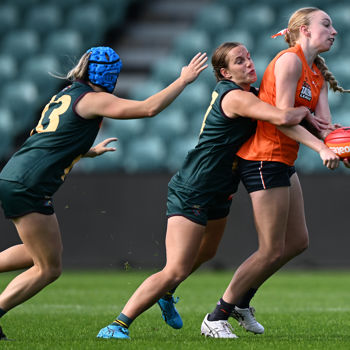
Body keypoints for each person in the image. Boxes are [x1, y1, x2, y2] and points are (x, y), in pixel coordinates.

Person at [96, 41, 337, 340]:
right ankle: (118, 325)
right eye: (239, 61)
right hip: (195, 186)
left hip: (221, 189)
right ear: (224, 73)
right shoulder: (235, 97)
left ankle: (167, 293)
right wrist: (307, 112)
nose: (249, 63)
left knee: (206, 253)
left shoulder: (249, 92)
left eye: (248, 57)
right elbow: (282, 117)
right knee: (175, 268)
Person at [0, 46, 208, 340]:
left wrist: (84, 151)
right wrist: (183, 80)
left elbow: (52, 139)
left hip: (14, 174)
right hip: (29, 183)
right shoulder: (94, 99)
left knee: (34, 255)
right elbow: (148, 108)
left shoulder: (66, 94)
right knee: (48, 269)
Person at [201, 7, 350, 338]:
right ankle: (216, 316)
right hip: (263, 159)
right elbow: (282, 119)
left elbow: (324, 128)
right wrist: (322, 149)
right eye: (326, 24)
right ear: (304, 31)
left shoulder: (318, 74)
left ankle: (241, 304)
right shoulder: (288, 61)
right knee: (271, 249)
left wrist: (340, 145)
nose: (334, 30)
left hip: (283, 160)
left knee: (297, 242)